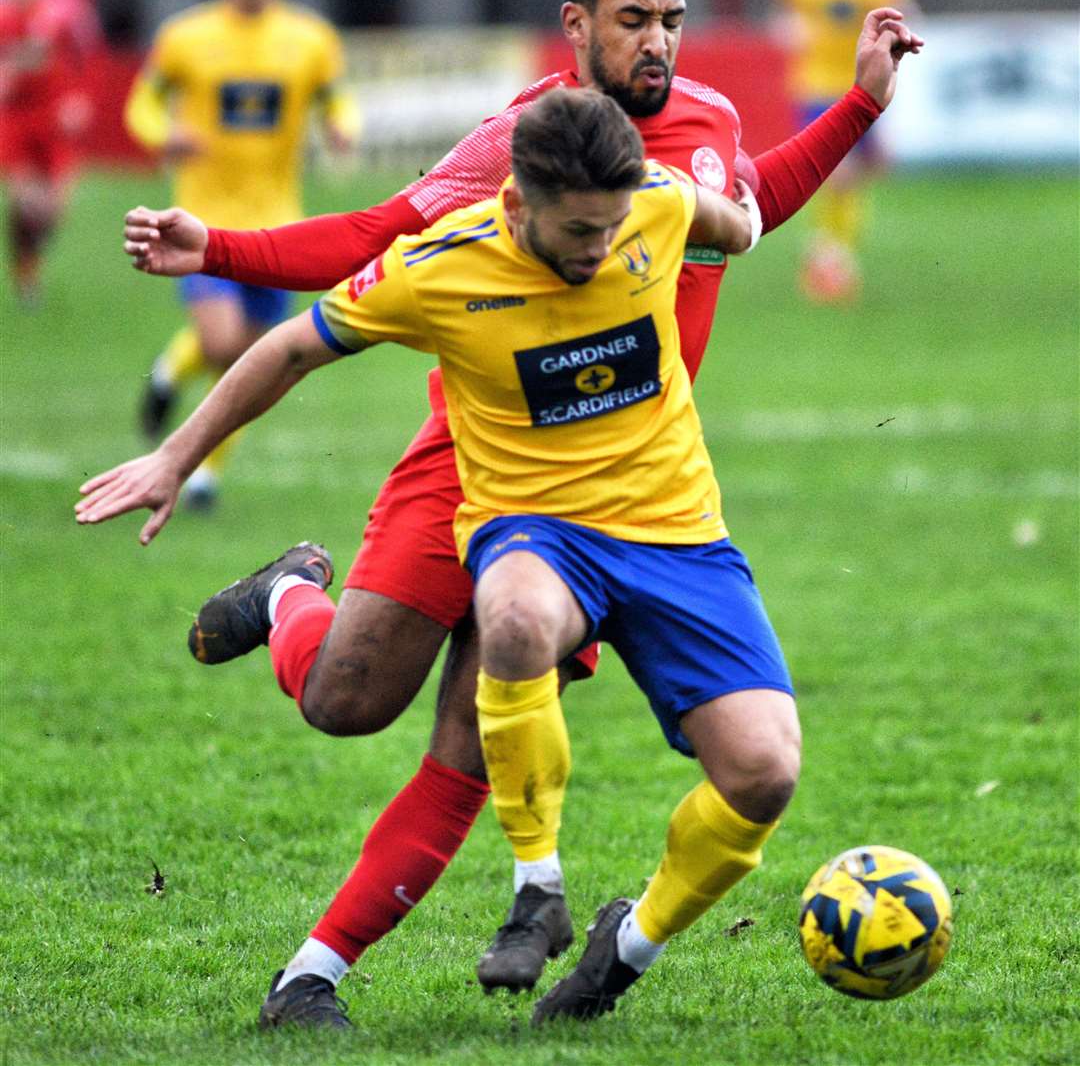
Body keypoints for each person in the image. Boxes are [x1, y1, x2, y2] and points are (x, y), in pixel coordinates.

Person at [104, 0, 920, 1027]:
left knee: (475, 734)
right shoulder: (512, 148)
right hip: (475, 462)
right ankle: (290, 595)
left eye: (673, 20)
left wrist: (857, 111)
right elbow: (380, 238)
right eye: (634, 20)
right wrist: (225, 251)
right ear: (578, 26)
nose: (658, 42)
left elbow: (751, 210)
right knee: (346, 702)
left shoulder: (700, 140)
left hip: (621, 488)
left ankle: (332, 971)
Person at [78, 86, 787, 1028]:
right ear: (516, 204)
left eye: (613, 228)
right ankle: (532, 878)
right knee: (363, 696)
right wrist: (176, 455)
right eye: (580, 231)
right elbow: (291, 346)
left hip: (675, 535)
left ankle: (357, 973)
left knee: (756, 770)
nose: (602, 250)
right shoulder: (442, 263)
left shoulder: (651, 195)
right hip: (524, 523)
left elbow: (736, 222)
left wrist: (790, 165)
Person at [123, 0, 358, 506]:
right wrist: (162, 135)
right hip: (200, 220)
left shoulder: (312, 40)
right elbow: (141, 106)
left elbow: (338, 102)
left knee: (252, 361)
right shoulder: (185, 37)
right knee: (225, 342)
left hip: (280, 223)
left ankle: (202, 469)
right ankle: (175, 373)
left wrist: (341, 128)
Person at [773, 0, 914, 303]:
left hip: (866, 79)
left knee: (861, 175)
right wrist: (786, 29)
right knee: (838, 171)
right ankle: (829, 256)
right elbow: (782, 16)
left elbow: (904, 6)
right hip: (815, 82)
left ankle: (833, 249)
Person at [0, 0, 99, 306]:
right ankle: (26, 274)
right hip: (16, 119)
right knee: (26, 201)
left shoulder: (64, 10)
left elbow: (85, 56)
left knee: (53, 210)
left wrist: (80, 98)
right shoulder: (4, 17)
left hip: (54, 118)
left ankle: (29, 251)